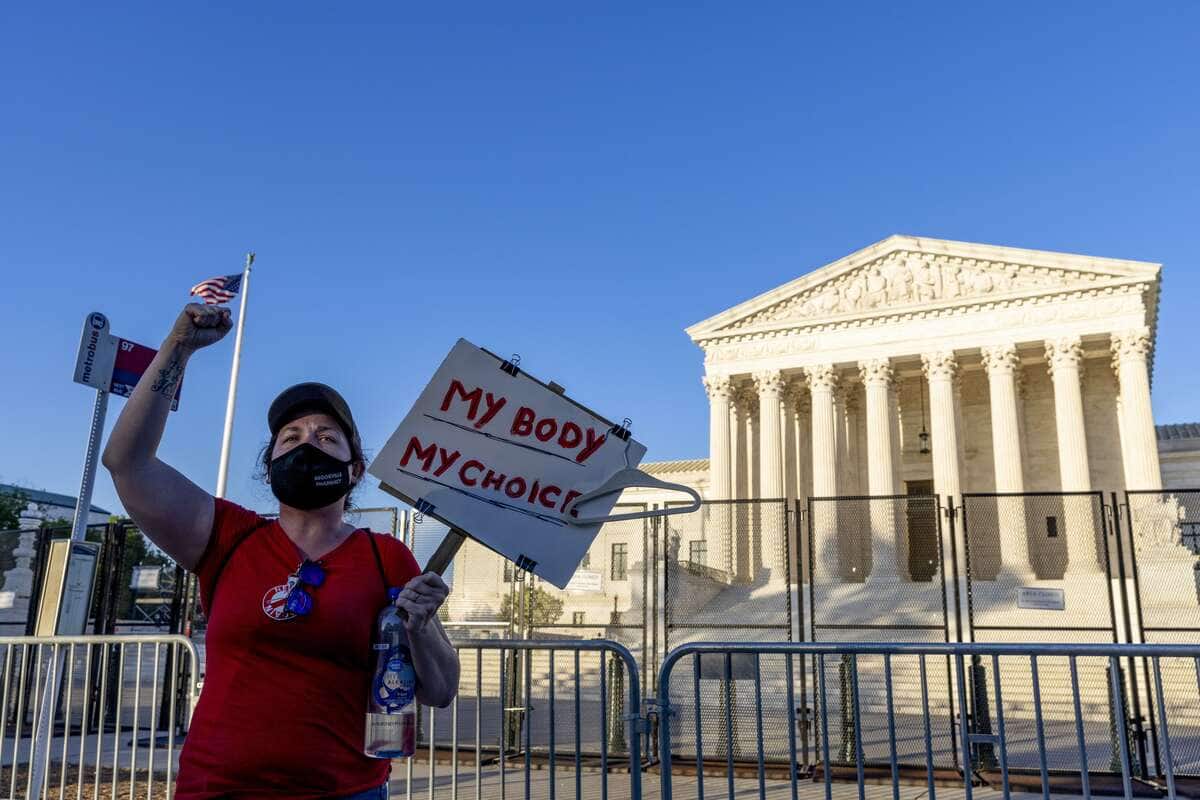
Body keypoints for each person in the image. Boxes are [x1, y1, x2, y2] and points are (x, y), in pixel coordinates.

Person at [102, 303, 460, 799]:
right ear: (269, 465)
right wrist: (177, 349)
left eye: (326, 437)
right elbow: (126, 461)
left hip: (346, 791)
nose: (306, 443)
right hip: (218, 788)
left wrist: (421, 629)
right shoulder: (226, 535)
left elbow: (440, 690)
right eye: (289, 437)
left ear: (354, 470)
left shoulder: (387, 557)